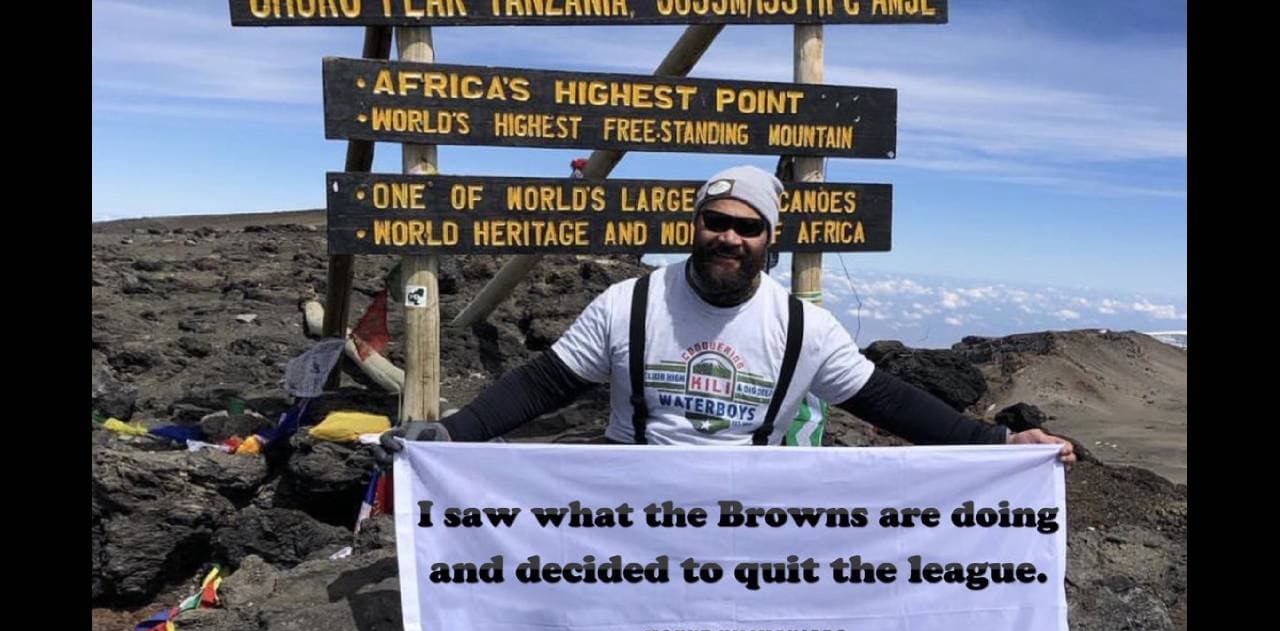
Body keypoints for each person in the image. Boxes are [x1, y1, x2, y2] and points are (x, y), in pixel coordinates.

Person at [377, 165, 1075, 463]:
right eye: (716, 221)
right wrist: (452, 434)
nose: (729, 238)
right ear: (695, 225)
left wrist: (999, 444)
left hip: (747, 517)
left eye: (748, 227)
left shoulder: (804, 328)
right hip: (630, 505)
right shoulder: (629, 302)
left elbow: (887, 401)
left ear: (771, 239)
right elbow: (543, 384)